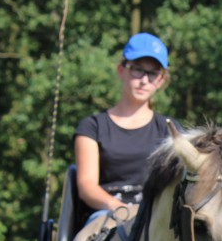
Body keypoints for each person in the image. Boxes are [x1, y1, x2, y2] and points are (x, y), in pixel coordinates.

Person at [74, 32, 175, 223]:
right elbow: (87, 186)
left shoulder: (170, 130)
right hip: (106, 215)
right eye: (137, 70)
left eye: (152, 73)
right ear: (122, 70)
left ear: (161, 80)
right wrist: (117, 207)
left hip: (156, 218)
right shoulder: (92, 127)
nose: (144, 80)